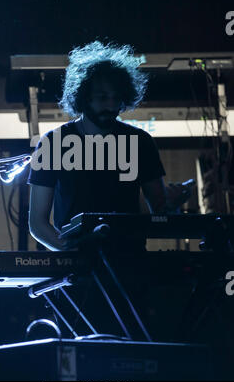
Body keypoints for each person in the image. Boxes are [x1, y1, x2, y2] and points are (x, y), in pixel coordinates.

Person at [28, 41, 192, 252]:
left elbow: (160, 212)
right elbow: (37, 224)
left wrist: (173, 203)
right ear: (84, 96)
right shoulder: (53, 143)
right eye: (103, 97)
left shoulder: (140, 142)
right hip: (77, 274)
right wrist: (72, 254)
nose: (112, 105)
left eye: (116, 98)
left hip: (130, 265)